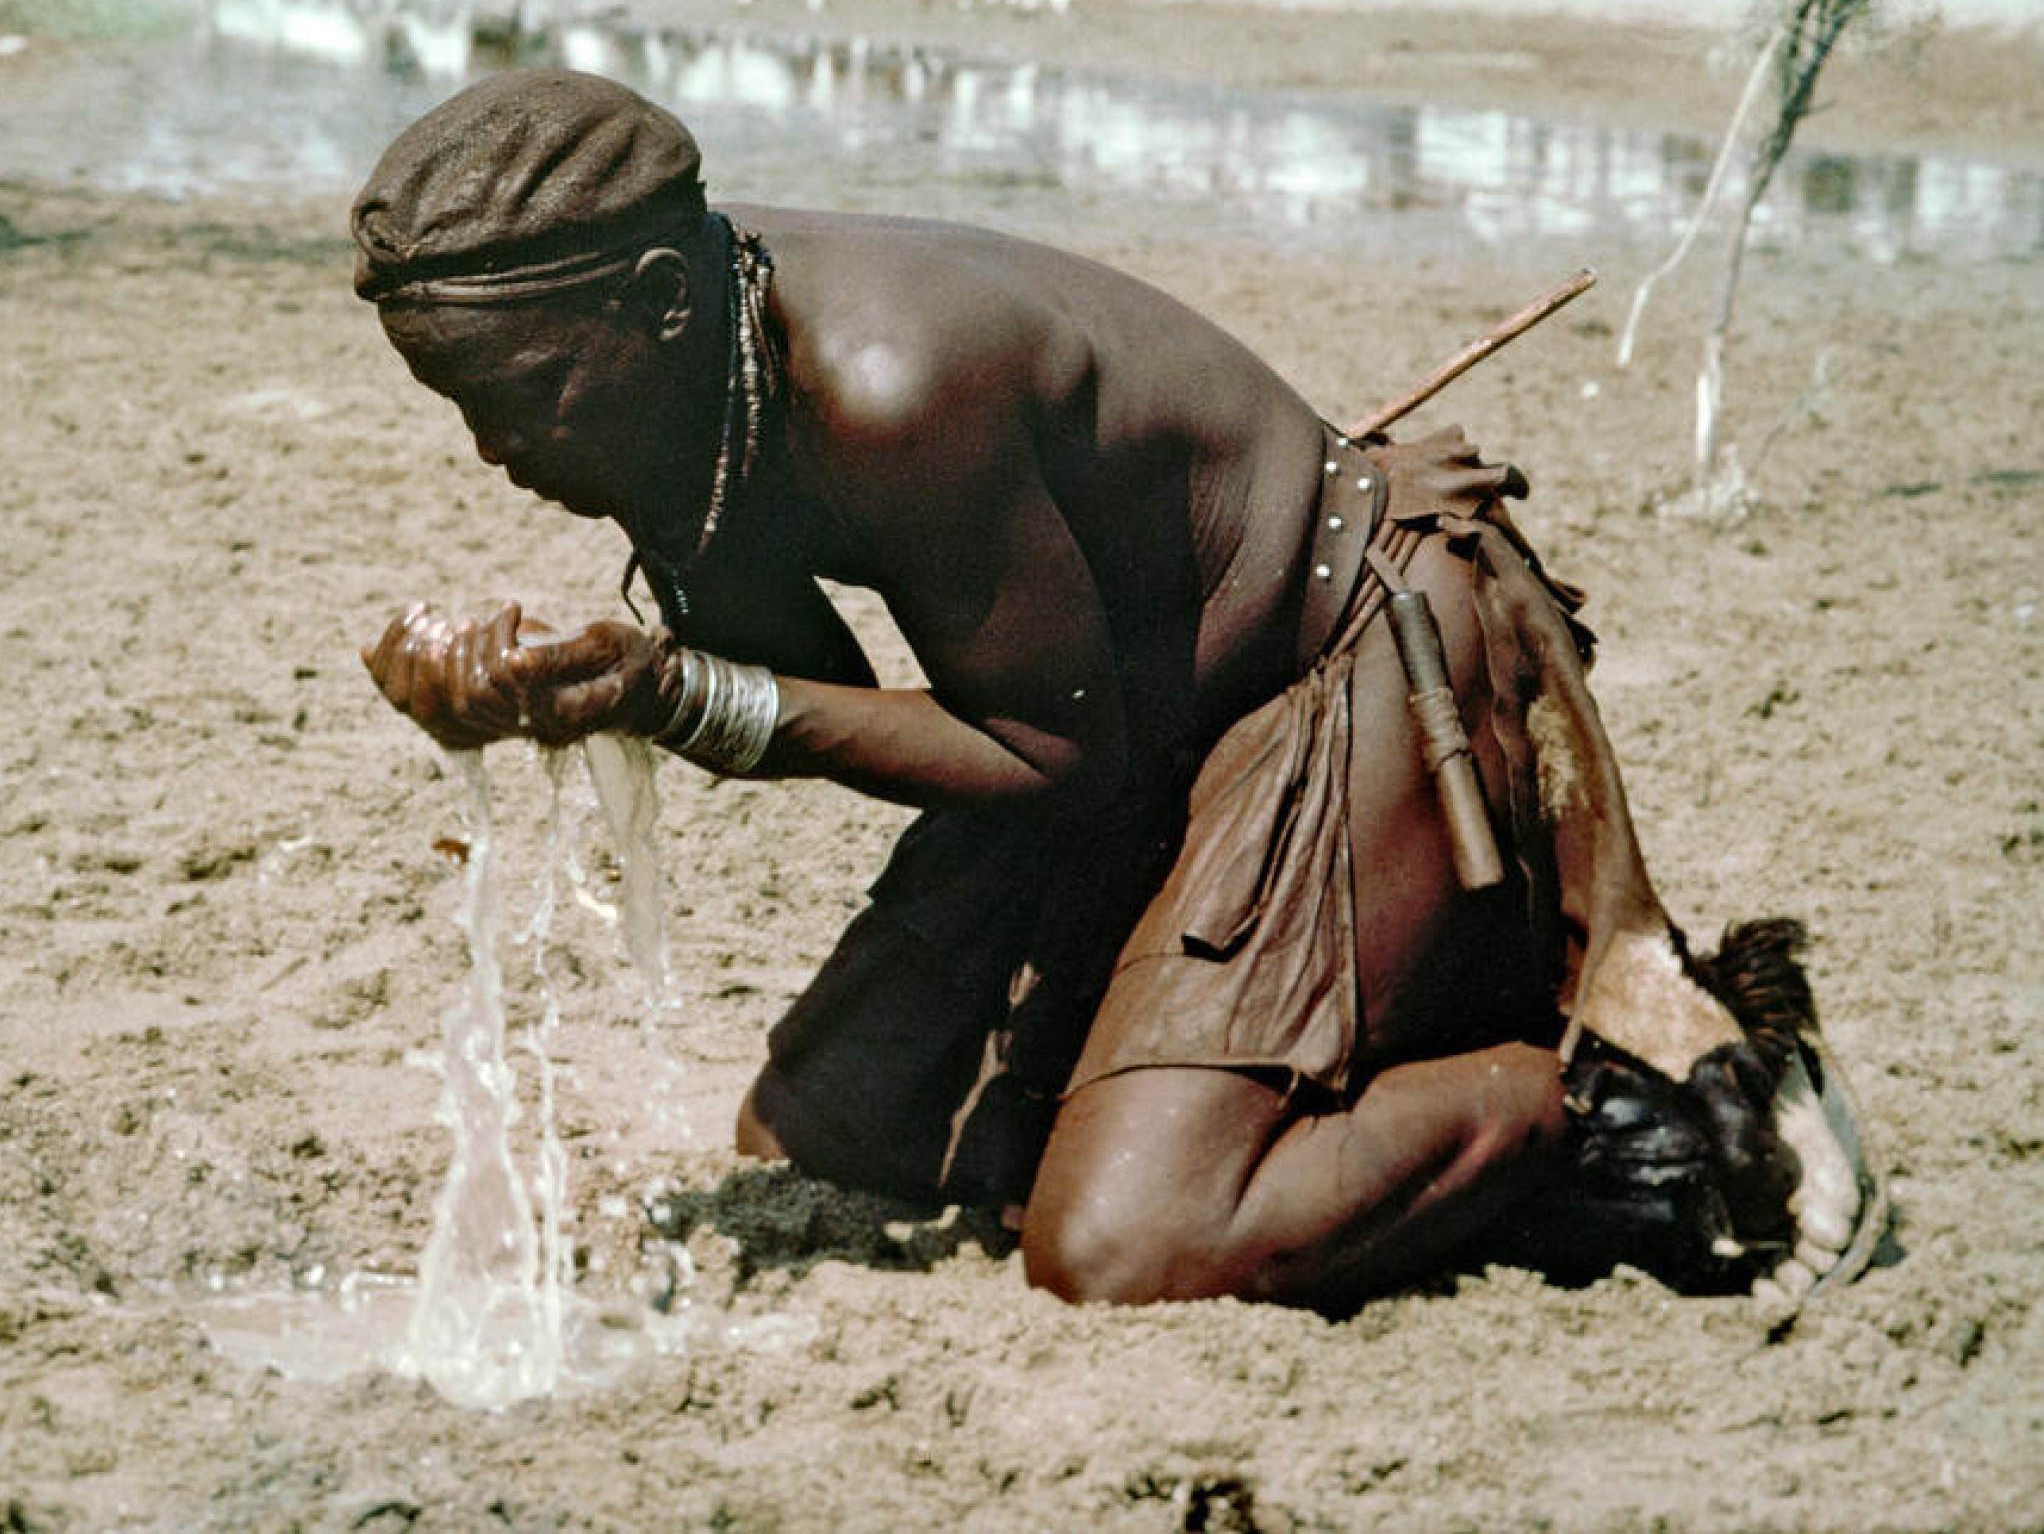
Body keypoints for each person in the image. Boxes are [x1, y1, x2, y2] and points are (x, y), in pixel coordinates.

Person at [351, 70, 1879, 1310]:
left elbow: (1043, 755)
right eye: (465, 410)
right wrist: (580, 686)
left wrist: (669, 690)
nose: (499, 449)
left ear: (656, 305)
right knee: (831, 1132)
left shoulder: (887, 377)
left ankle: (1607, 1101)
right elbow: (809, 686)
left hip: (1337, 657)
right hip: (1126, 714)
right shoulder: (670, 358)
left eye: (518, 400)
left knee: (1121, 1241)